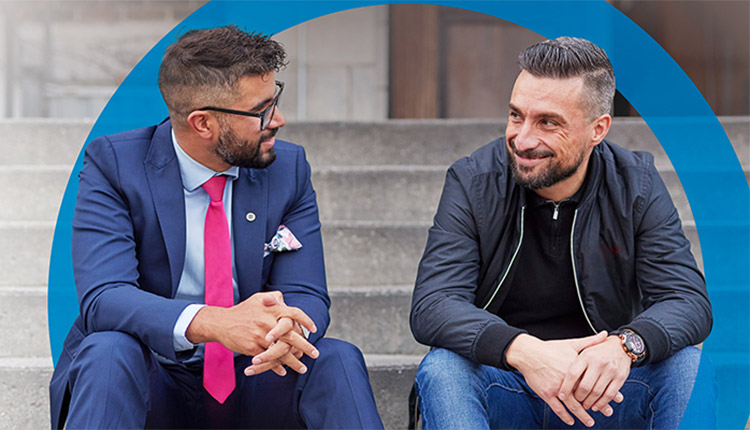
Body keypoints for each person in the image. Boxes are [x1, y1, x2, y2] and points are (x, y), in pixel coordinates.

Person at [49, 25, 383, 429]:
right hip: (151, 376)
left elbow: (305, 292)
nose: (278, 119)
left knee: (335, 359)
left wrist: (284, 327)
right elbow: (105, 297)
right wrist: (214, 323)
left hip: (256, 373)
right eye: (261, 110)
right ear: (203, 123)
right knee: (108, 350)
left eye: (274, 98)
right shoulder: (115, 165)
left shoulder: (287, 168)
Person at [410, 36, 714, 429]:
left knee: (689, 366)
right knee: (444, 369)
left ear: (597, 129)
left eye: (548, 122)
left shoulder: (635, 185)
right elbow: (433, 303)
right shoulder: (473, 181)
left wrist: (626, 346)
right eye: (516, 115)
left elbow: (687, 299)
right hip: (507, 385)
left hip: (603, 392)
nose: (522, 139)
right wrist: (525, 351)